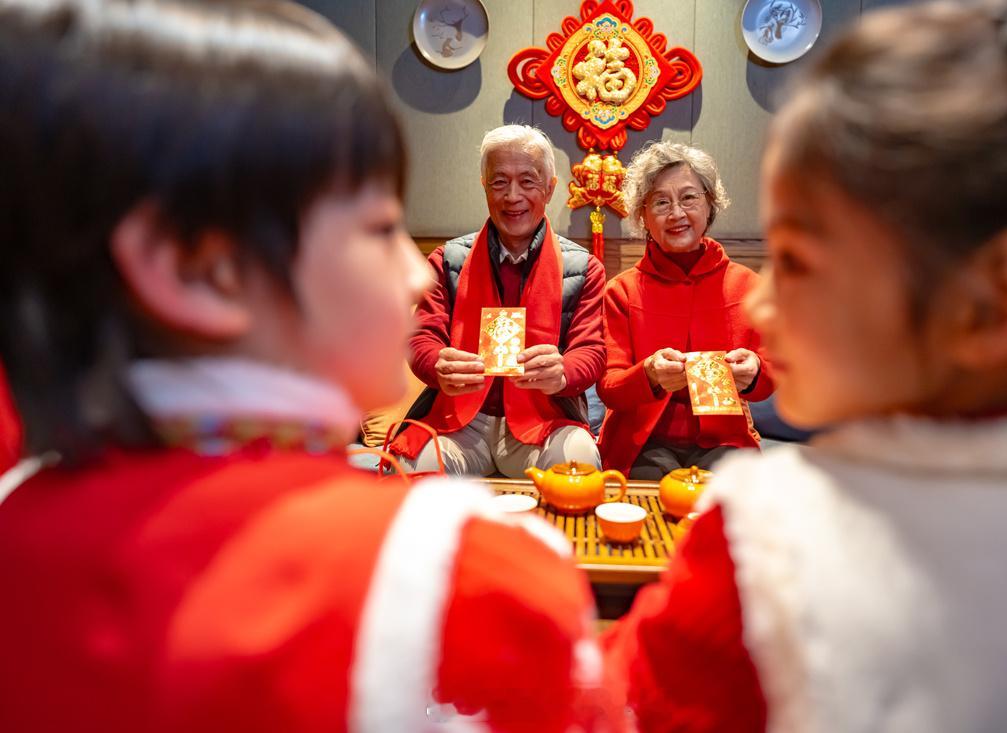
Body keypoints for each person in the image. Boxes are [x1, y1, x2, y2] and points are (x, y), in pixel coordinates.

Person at [0, 2, 620, 730]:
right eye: (381, 227)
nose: (415, 276)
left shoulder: (18, 511)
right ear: (203, 270)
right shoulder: (465, 575)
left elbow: (594, 358)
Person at [603, 1, 1007, 730]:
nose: (766, 305)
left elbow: (619, 701)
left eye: (798, 261)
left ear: (998, 301)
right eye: (661, 202)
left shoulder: (766, 544)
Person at [390, 125, 606, 477]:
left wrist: (562, 372)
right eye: (499, 182)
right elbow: (422, 338)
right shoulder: (448, 259)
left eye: (528, 181)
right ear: (484, 186)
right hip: (461, 421)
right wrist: (437, 365)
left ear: (550, 188)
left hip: (544, 420)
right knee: (416, 469)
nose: (512, 196)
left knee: (578, 462)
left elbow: (592, 352)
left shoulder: (583, 268)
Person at [596, 142, 774, 478]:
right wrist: (648, 373)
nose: (677, 213)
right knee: (653, 500)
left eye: (689, 198)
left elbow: (773, 376)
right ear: (642, 216)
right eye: (661, 202)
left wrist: (755, 372)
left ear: (710, 203)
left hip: (725, 441)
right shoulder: (622, 291)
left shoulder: (748, 287)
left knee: (730, 500)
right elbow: (609, 388)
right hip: (642, 442)